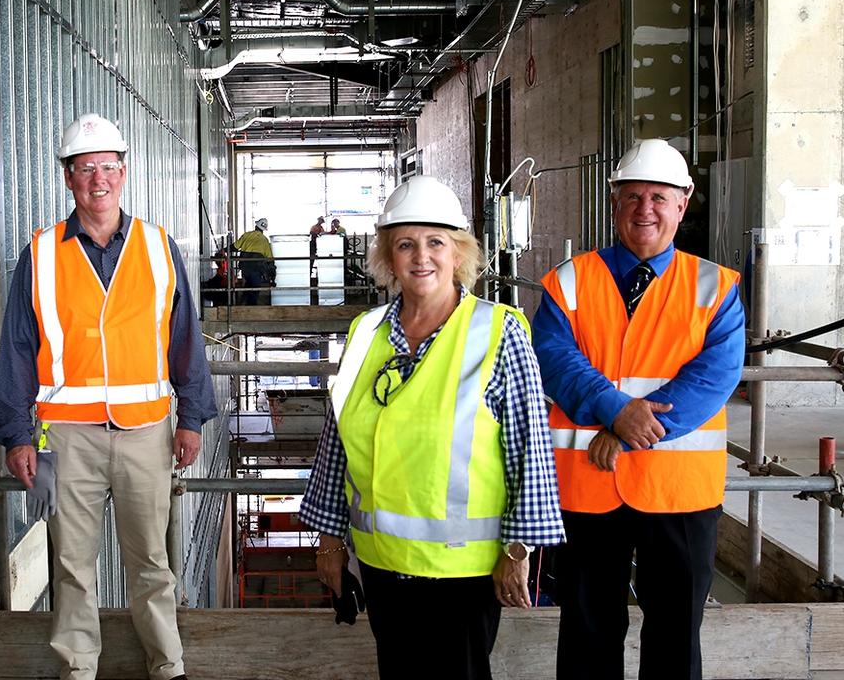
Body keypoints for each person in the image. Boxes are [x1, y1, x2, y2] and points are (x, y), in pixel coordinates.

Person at [298, 176, 564, 680]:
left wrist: (519, 550)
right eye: (405, 244)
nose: (422, 257)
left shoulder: (497, 331)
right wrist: (330, 539)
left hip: (460, 571)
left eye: (436, 242)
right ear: (388, 258)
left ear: (459, 253)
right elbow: (336, 441)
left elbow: (529, 449)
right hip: (380, 563)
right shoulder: (366, 332)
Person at [0, 113, 216, 680]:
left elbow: (184, 336)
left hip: (146, 432)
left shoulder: (158, 246)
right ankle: (78, 667)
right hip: (64, 438)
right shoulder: (40, 253)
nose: (99, 179)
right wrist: (17, 434)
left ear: (124, 173)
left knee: (151, 561)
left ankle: (167, 664)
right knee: (71, 563)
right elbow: (17, 348)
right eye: (85, 168)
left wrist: (191, 417)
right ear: (68, 178)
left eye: (108, 168)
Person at [533, 138, 745, 680]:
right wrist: (615, 410)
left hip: (678, 492)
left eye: (658, 196)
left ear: (683, 202)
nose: (644, 208)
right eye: (631, 196)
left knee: (676, 632)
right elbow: (554, 358)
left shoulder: (715, 288)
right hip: (589, 488)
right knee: (586, 628)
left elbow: (712, 380)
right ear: (613, 202)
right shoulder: (570, 281)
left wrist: (628, 431)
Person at [233, 217, 275, 304]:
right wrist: (272, 277)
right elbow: (270, 259)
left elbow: (234, 247)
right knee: (254, 289)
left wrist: (224, 250)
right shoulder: (264, 240)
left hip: (245, 268)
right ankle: (251, 307)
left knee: (248, 286)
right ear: (264, 230)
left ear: (256, 226)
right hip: (256, 268)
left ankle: (242, 304)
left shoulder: (247, 235)